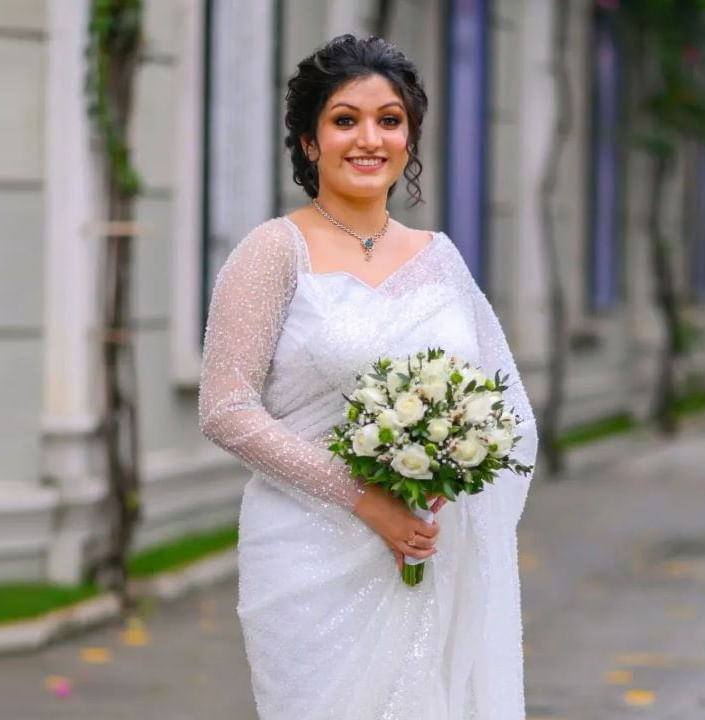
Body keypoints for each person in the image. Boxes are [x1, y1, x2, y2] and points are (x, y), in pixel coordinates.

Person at [198, 34, 537, 720]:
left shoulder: (440, 259)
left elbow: (499, 403)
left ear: (410, 139)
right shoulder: (273, 252)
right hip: (310, 552)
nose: (369, 139)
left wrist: (448, 476)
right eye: (345, 119)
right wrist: (363, 499)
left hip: (429, 543)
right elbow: (225, 407)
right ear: (307, 140)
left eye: (390, 120)